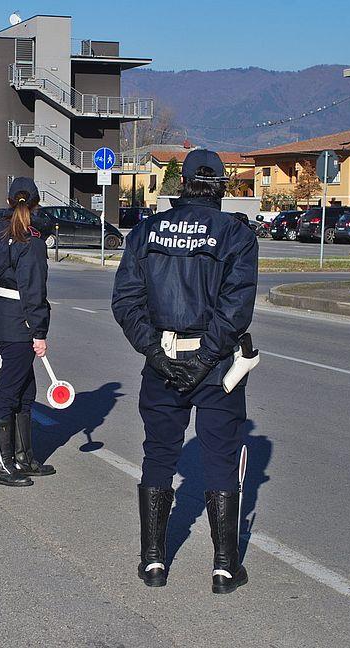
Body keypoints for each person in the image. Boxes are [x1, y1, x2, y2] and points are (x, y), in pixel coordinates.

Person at [112, 149, 258, 594]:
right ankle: (224, 567)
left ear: (183, 183)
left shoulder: (146, 231)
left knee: (159, 454)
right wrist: (204, 358)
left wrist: (157, 355)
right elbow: (236, 309)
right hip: (215, 367)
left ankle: (153, 562)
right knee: (220, 459)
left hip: (161, 363)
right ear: (220, 187)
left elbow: (126, 302)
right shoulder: (235, 234)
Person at [0, 177, 55, 487]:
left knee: (26, 391)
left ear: (9, 201)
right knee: (8, 394)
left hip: (0, 319)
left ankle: (23, 458)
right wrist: (39, 332)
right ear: (34, 204)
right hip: (21, 325)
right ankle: (2, 465)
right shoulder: (30, 240)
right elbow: (34, 290)